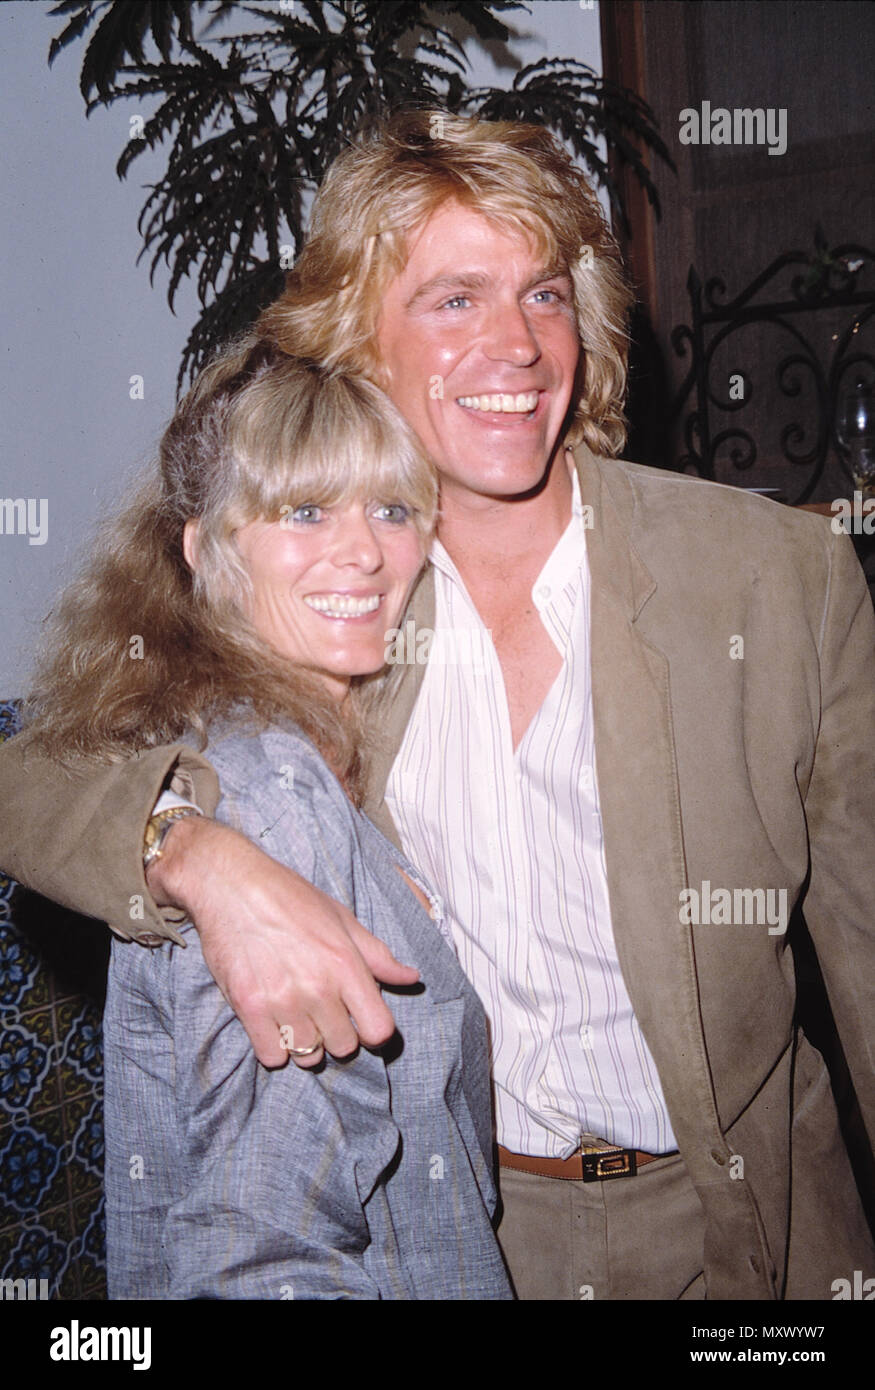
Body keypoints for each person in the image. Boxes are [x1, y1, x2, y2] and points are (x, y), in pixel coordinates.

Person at [1, 110, 873, 1301]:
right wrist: (192, 851)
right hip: (469, 1233)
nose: (515, 344)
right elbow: (36, 774)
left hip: (751, 1232)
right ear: (358, 338)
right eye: (453, 299)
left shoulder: (777, 578)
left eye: (543, 293)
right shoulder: (335, 599)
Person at [17, 339, 513, 1300]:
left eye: (393, 508)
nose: (364, 550)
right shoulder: (267, 797)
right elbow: (268, 1250)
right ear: (206, 550)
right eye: (303, 510)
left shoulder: (275, 746)